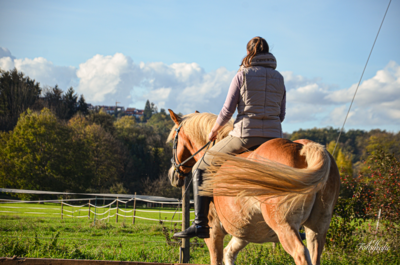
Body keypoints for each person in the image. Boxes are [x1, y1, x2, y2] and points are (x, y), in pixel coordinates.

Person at [174, 36, 286, 239]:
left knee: (201, 167)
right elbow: (282, 114)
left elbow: (227, 110)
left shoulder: (242, 75)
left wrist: (214, 131)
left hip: (245, 136)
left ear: (249, 52)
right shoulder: (279, 78)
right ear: (268, 53)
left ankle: (200, 224)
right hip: (274, 137)